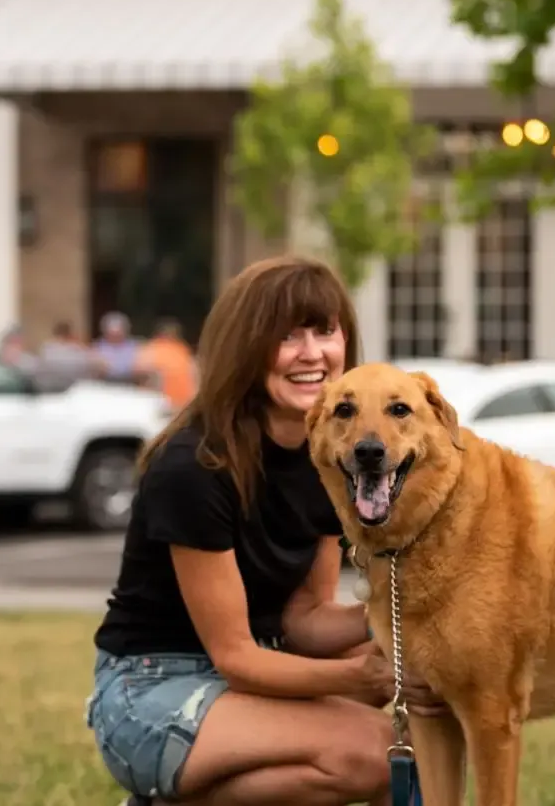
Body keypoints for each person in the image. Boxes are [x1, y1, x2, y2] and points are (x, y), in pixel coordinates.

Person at [87, 255, 450, 806]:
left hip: (247, 674)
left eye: (324, 331)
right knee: (378, 751)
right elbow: (236, 656)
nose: (312, 353)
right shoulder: (195, 467)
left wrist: (397, 616)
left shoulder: (330, 454)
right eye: (287, 336)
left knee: (415, 732)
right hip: (149, 689)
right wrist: (363, 679)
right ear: (246, 348)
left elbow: (303, 621)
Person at [134, 317, 198, 411]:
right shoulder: (152, 348)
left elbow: (193, 371)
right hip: (160, 403)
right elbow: (140, 370)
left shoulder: (181, 348)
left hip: (183, 402)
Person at [92, 311, 142, 383]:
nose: (115, 336)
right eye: (112, 333)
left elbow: (141, 368)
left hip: (130, 384)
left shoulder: (135, 346)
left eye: (118, 333)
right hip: (104, 385)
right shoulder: (97, 347)